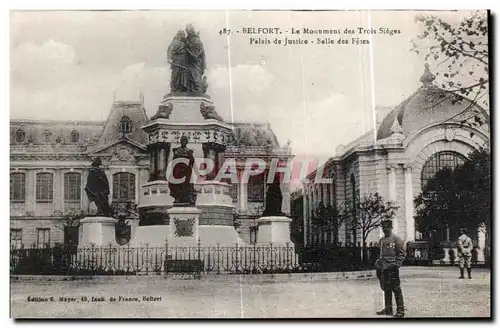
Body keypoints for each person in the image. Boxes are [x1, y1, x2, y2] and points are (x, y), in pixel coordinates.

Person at [375, 218, 406, 318]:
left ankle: (400, 311)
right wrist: (378, 265)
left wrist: (397, 264)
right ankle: (388, 309)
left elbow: (402, 254)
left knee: (396, 289)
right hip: (383, 268)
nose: (385, 229)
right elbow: (380, 254)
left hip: (392, 268)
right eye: (383, 228)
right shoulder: (382, 240)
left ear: (391, 227)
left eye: (387, 228)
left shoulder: (397, 239)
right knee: (386, 288)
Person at [169, 135, 196, 206]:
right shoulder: (177, 150)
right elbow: (174, 161)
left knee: (188, 184)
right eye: (182, 141)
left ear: (187, 142)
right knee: (177, 184)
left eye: (185, 141)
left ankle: (187, 197)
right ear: (180, 142)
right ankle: (178, 197)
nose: (184, 142)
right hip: (178, 170)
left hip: (187, 170)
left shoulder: (189, 151)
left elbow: (192, 161)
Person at [185, 24, 206, 93]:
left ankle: (198, 90)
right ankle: (192, 89)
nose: (187, 32)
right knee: (190, 77)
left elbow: (199, 52)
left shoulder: (196, 40)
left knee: (195, 76)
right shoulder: (189, 39)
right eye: (187, 31)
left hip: (195, 62)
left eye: (188, 30)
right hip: (189, 62)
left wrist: (187, 48)